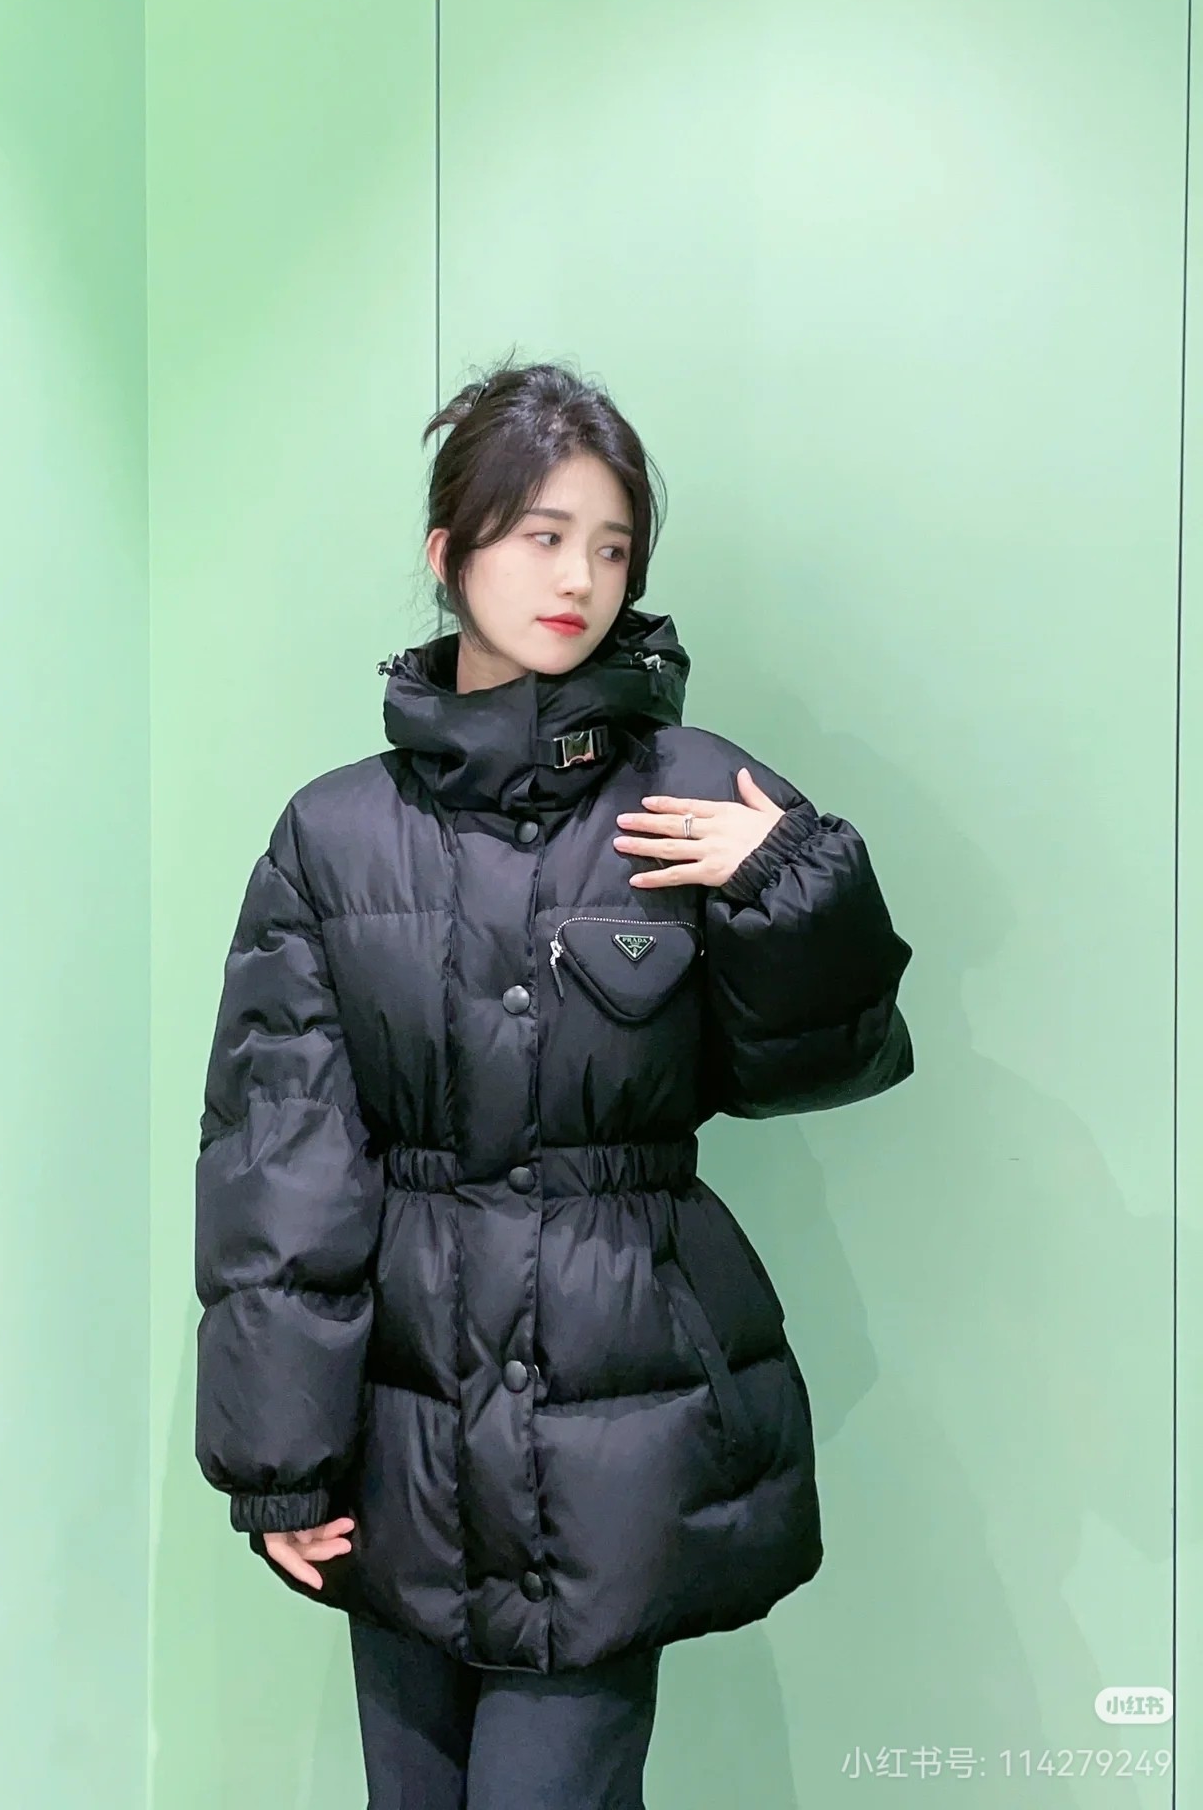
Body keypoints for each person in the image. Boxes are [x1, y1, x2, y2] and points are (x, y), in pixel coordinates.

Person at [193, 358, 915, 1809]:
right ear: (447, 551)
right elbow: (281, 1160)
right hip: (405, 1434)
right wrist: (280, 1459)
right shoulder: (334, 835)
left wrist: (788, 886)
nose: (580, 577)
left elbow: (823, 1058)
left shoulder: (690, 790)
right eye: (542, 534)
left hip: (615, 1428)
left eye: (612, 544)